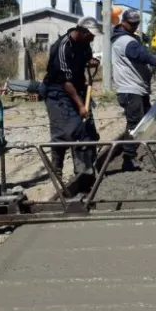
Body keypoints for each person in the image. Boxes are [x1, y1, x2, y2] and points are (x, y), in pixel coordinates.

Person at [110, 8, 156, 171]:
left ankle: (153, 156)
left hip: (136, 90)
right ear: (123, 22)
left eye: (137, 24)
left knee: (150, 123)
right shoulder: (127, 42)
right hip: (131, 90)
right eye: (132, 24)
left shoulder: (126, 38)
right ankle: (128, 160)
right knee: (135, 125)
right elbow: (145, 57)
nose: (135, 27)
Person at [43, 21, 100, 191]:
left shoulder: (84, 44)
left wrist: (91, 62)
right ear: (81, 32)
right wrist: (81, 106)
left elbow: (86, 59)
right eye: (91, 35)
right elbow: (66, 82)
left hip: (78, 89)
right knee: (64, 133)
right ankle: (57, 174)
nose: (93, 37)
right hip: (58, 92)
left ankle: (86, 173)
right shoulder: (62, 47)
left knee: (87, 130)